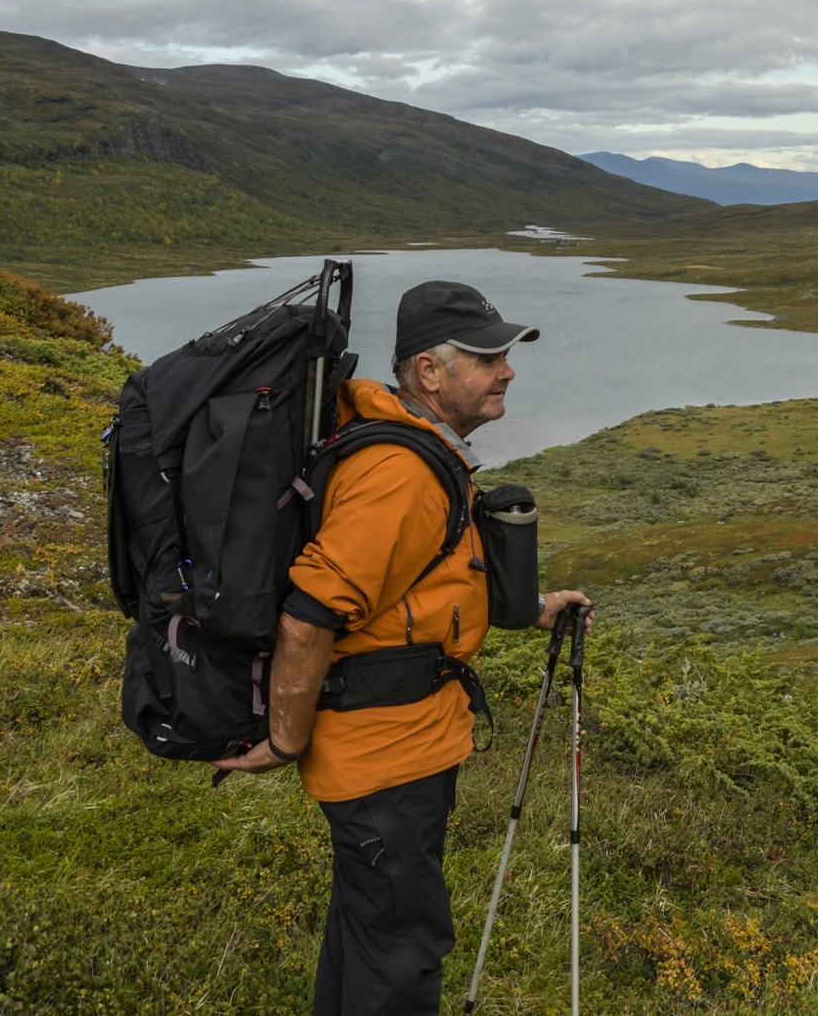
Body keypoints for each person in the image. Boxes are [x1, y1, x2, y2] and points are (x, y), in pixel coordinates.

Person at [214, 279, 589, 1015]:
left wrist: (531, 607)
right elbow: (309, 614)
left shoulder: (413, 450)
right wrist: (284, 739)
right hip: (385, 759)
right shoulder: (400, 473)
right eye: (487, 357)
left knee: (368, 932)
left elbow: (410, 590)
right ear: (428, 371)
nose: (506, 369)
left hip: (395, 749)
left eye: (504, 354)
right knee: (402, 955)